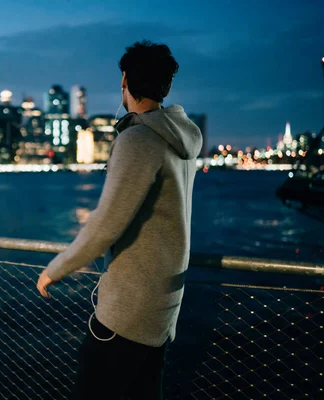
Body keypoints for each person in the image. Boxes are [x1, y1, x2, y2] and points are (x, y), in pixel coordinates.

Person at [36, 40, 203, 399]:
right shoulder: (180, 142)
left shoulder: (139, 139)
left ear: (124, 80)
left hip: (127, 311)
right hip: (161, 310)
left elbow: (106, 223)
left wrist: (57, 267)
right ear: (167, 85)